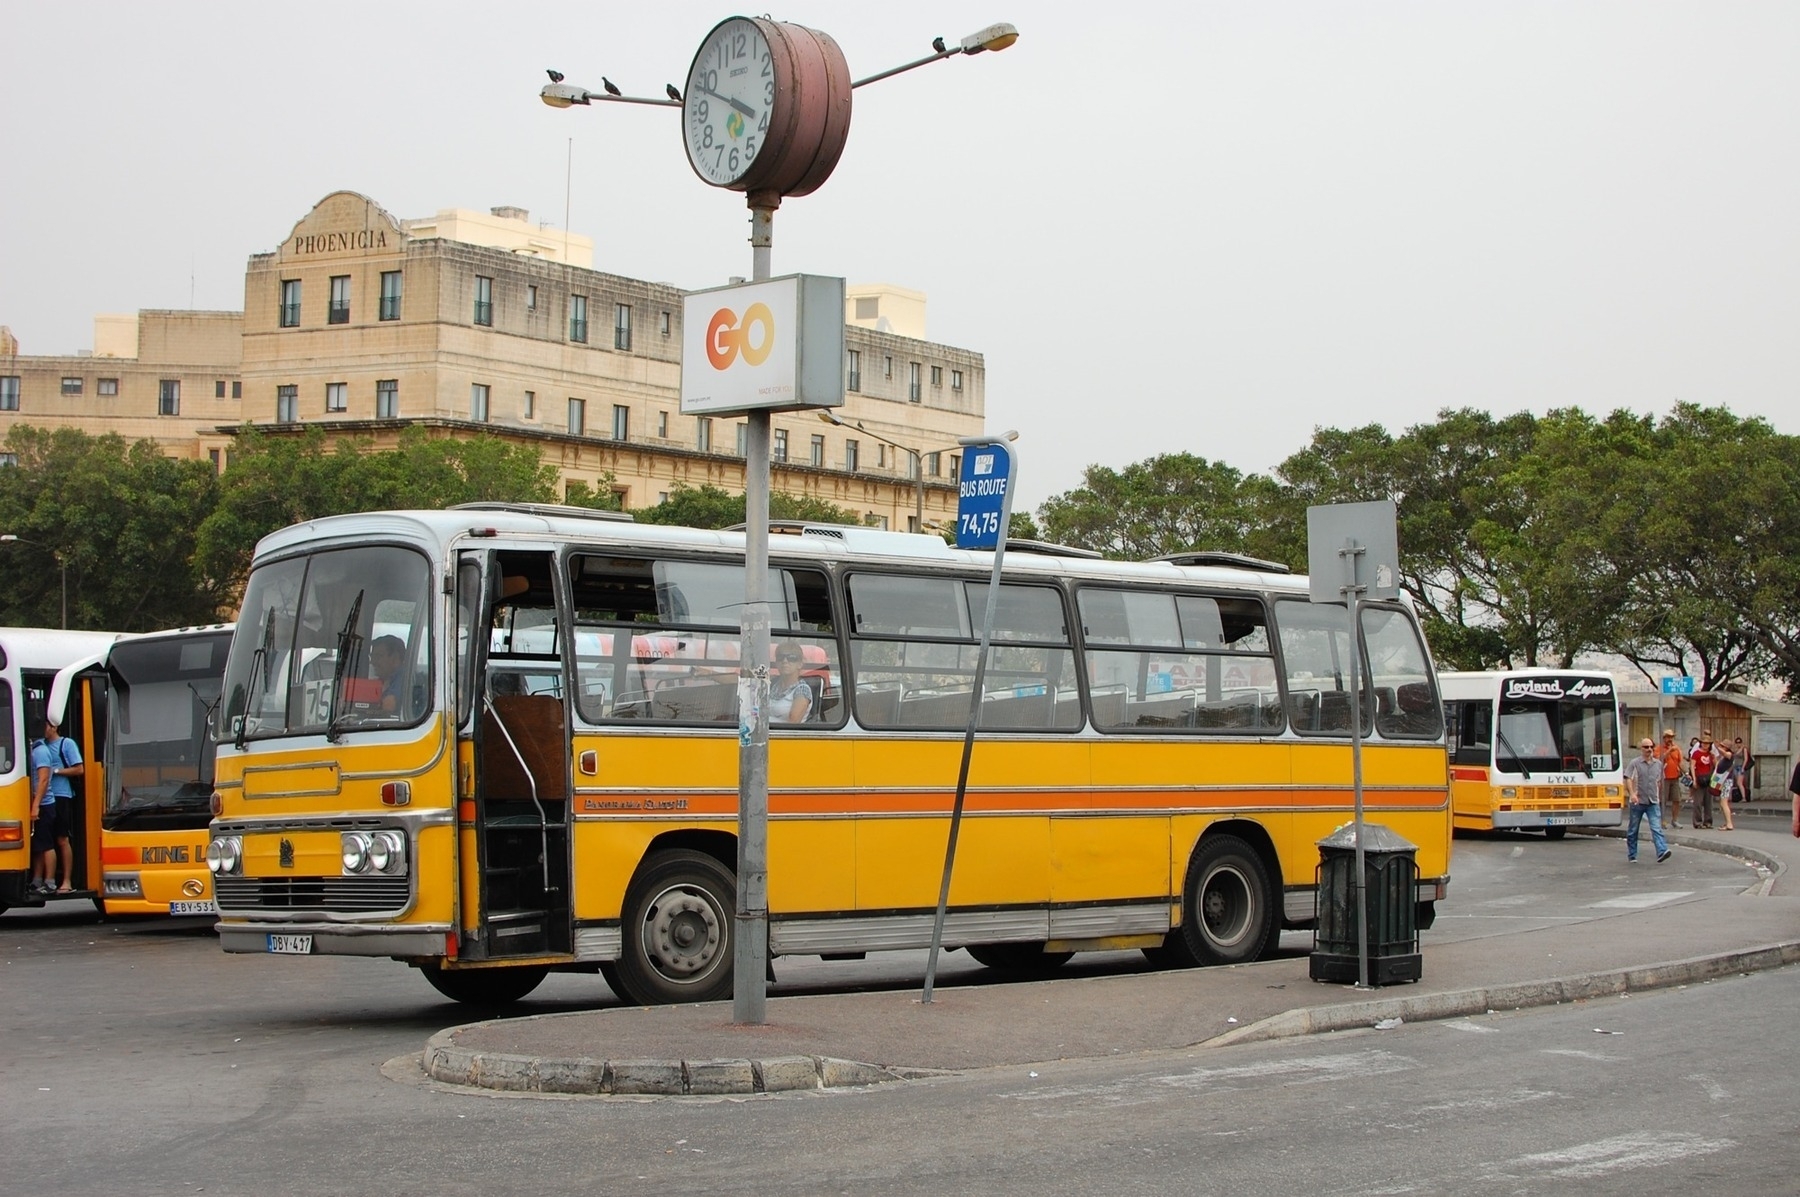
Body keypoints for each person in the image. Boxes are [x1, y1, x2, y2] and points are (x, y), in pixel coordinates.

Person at [37, 714, 82, 892]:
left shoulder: (66, 744)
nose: (42, 730)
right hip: (46, 797)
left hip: (62, 795)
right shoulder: (41, 746)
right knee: (44, 839)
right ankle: (43, 879)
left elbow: (80, 768)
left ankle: (67, 880)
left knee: (62, 838)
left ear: (54, 727)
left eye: (45, 726)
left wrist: (55, 771)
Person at [1623, 738, 1672, 863]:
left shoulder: (1658, 764)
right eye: (1646, 747)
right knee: (1633, 829)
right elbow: (1628, 778)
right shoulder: (1635, 763)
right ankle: (1632, 854)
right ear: (1641, 749)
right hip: (1638, 802)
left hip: (1652, 801)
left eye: (1651, 747)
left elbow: (1660, 781)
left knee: (1656, 827)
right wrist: (1632, 794)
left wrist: (1658, 795)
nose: (1649, 749)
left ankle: (1662, 851)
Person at [28, 726, 56, 894]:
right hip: (38, 804)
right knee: (38, 844)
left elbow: (44, 780)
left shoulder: (41, 751)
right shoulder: (34, 750)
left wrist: (36, 805)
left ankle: (50, 882)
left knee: (46, 845)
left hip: (44, 804)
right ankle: (37, 880)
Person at [767, 643, 814, 723]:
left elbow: (793, 722)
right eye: (780, 658)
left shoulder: (802, 689)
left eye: (791, 658)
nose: (785, 661)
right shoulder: (773, 685)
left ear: (800, 664)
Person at [369, 635, 407, 715]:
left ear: (395, 658)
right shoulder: (385, 680)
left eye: (378, 656)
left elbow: (389, 705)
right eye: (372, 656)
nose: (373, 662)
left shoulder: (403, 678)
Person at [1658, 728, 1685, 830]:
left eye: (1671, 737)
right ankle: (1662, 820)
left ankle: (1675, 820)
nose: (1670, 739)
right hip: (1664, 778)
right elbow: (1659, 759)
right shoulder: (1659, 748)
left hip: (1675, 777)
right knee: (1662, 800)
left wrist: (1686, 773)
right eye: (1668, 737)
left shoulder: (1677, 749)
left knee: (1676, 799)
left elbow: (1680, 762)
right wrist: (1669, 750)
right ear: (1664, 738)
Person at [1690, 731, 1717, 828]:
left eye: (1708, 744)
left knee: (1708, 802)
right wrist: (1694, 779)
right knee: (1698, 802)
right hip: (1699, 778)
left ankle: (1708, 821)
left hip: (1709, 779)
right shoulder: (1696, 754)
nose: (1705, 745)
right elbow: (1692, 766)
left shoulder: (1711, 754)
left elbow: (1716, 766)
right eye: (1704, 743)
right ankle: (1697, 822)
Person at [1713, 744, 1737, 831]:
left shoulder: (1729, 755)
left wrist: (1717, 747)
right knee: (1722, 803)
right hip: (1722, 781)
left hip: (1726, 781)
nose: (1721, 747)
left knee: (1724, 803)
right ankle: (1727, 822)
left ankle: (1729, 823)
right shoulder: (1723, 757)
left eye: (1723, 746)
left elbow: (1725, 753)